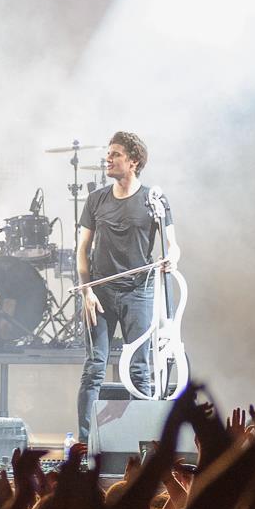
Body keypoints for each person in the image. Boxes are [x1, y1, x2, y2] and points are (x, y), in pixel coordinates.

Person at [75, 131, 180, 442]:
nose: (108, 158)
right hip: (100, 293)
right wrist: (87, 290)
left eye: (116, 154)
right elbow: (82, 249)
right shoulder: (96, 200)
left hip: (138, 292)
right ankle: (86, 442)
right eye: (108, 153)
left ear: (133, 161)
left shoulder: (154, 200)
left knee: (140, 369)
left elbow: (172, 246)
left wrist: (171, 259)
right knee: (94, 367)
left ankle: (142, 444)